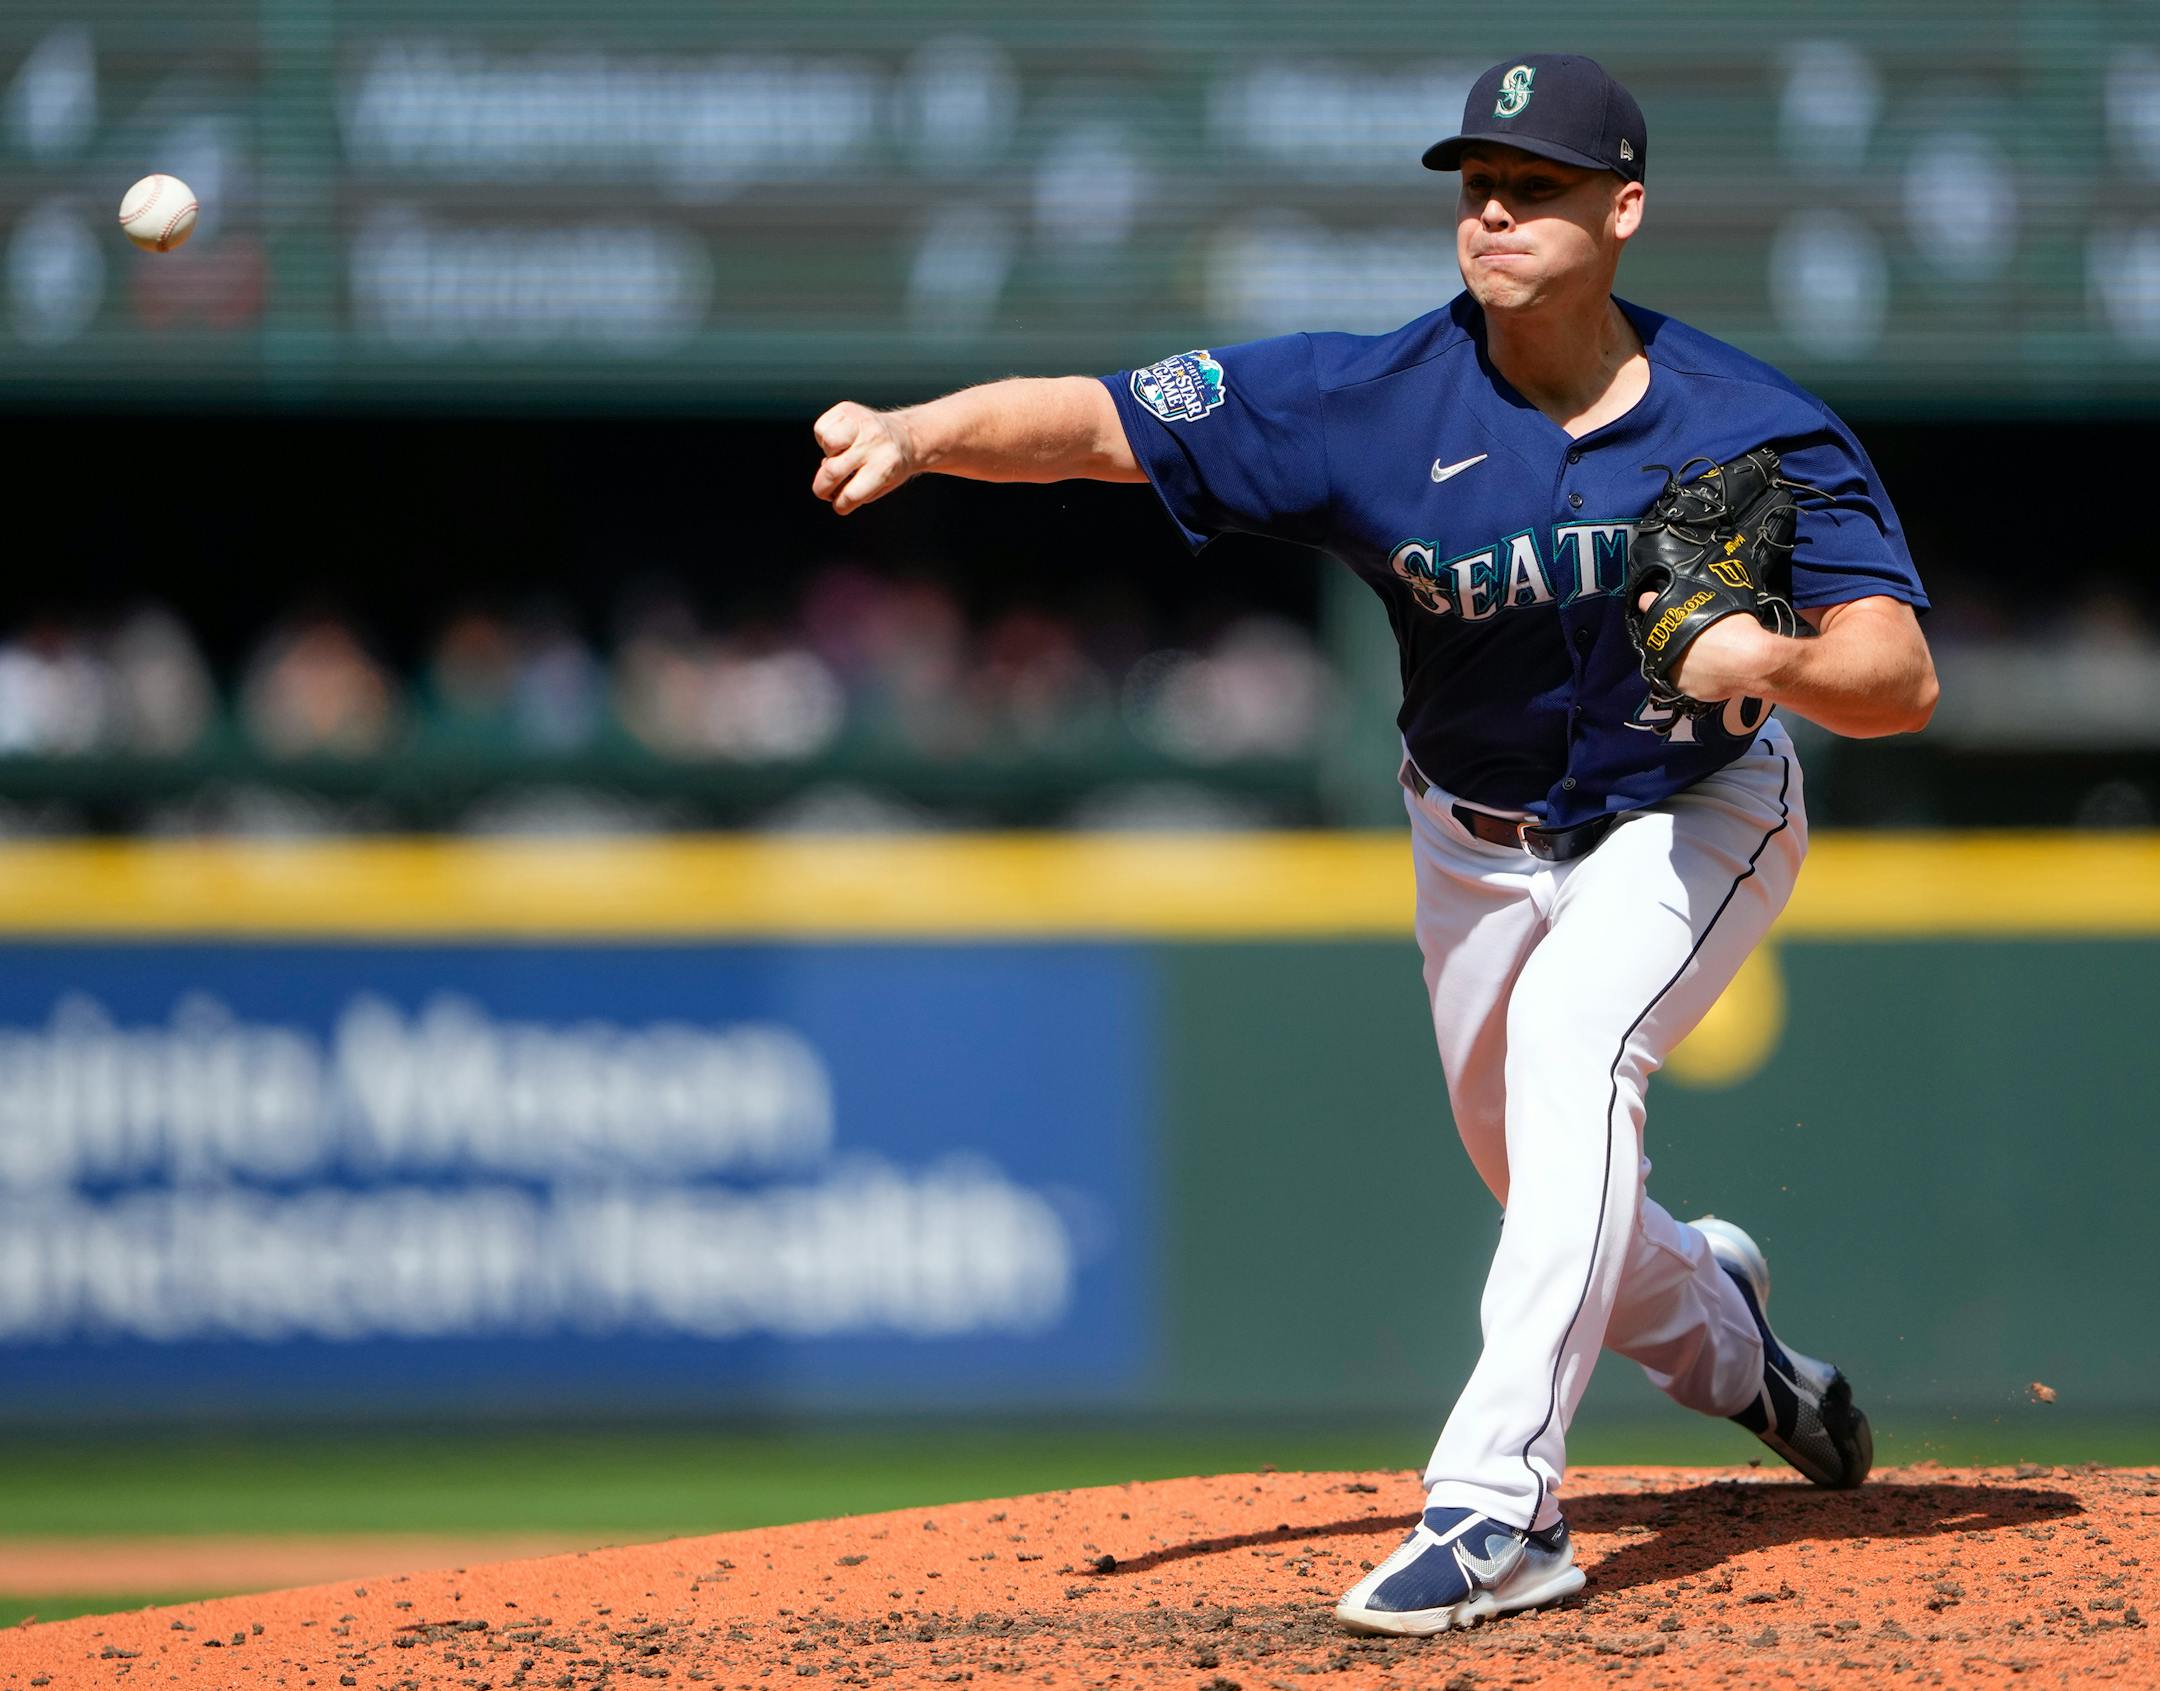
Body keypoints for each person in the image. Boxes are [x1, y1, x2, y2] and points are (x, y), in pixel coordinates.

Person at [810, 52, 1936, 1637]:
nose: (1494, 211)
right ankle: (1742, 1355)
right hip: (1471, 839)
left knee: (1571, 1056)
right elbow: (1097, 424)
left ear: (1622, 211)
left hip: (1693, 809)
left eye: (1535, 186)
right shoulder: (1370, 401)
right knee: (1543, 1175)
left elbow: (1900, 676)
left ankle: (1498, 1512)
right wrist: (924, 431)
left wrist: (1776, 662)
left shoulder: (1753, 423)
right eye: (1476, 184)